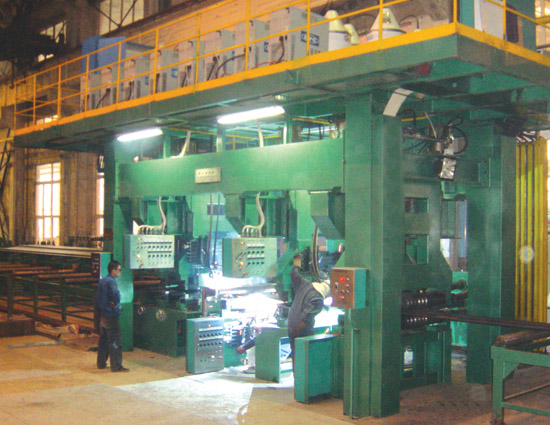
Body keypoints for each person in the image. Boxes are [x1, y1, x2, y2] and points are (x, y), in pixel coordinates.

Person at [287, 253, 330, 367]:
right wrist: (296, 332)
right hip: (301, 331)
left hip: (291, 325)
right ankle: (304, 378)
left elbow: (294, 273)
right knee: (306, 360)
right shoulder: (317, 299)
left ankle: (297, 377)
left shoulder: (305, 284)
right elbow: (305, 319)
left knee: (296, 358)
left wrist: (298, 259)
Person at [96, 260, 129, 372]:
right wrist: (115, 304)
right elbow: (115, 295)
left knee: (103, 341)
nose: (120, 272)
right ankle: (116, 366)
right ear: (113, 270)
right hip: (111, 315)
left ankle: (101, 363)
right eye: (119, 269)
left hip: (103, 314)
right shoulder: (111, 282)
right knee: (115, 341)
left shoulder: (102, 281)